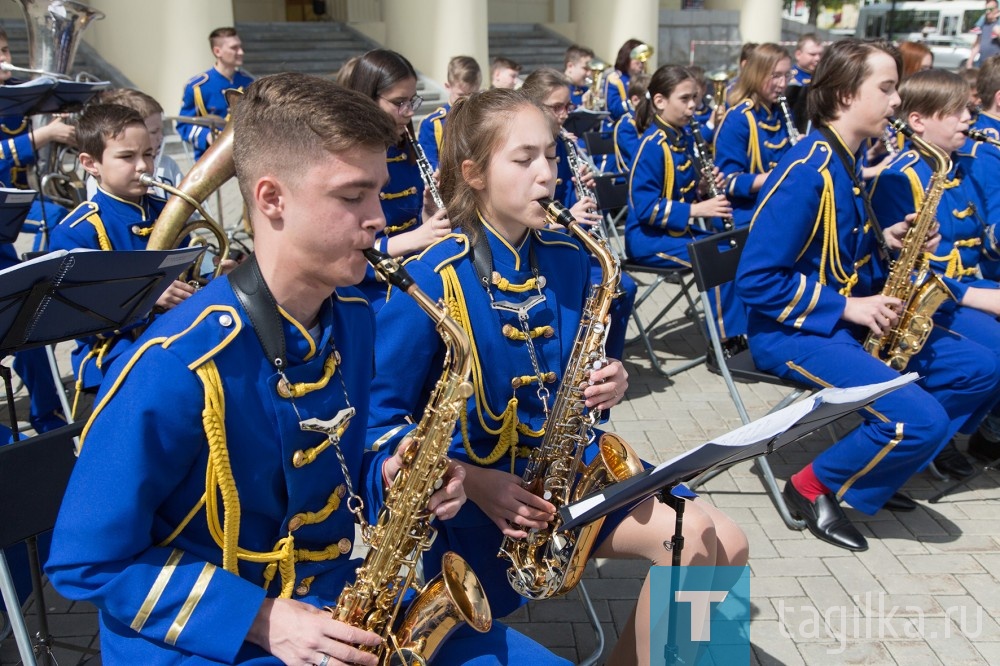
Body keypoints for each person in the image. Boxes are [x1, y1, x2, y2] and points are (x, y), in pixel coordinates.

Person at [46, 72, 474, 666]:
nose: (379, 218)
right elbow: (86, 559)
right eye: (353, 197)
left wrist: (393, 477)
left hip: (326, 604)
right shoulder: (176, 365)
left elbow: (338, 472)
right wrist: (259, 617)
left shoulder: (350, 314)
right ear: (271, 199)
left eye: (377, 192)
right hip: (207, 638)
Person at [367, 87, 749, 665]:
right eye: (523, 160)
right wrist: (472, 479)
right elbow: (379, 420)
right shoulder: (427, 280)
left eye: (551, 155)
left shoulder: (571, 257)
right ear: (472, 173)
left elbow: (584, 369)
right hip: (488, 499)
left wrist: (613, 380)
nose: (547, 175)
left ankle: (687, 658)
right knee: (689, 538)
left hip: (568, 473)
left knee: (734, 543)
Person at [736, 39, 1000, 552]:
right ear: (843, 95)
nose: (897, 101)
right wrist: (849, 306)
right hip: (795, 332)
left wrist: (892, 240)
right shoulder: (806, 172)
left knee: (979, 369)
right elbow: (757, 281)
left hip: (844, 321)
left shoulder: (846, 160)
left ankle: (881, 469)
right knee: (915, 419)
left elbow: (835, 251)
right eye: (885, 88)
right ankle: (809, 486)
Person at [870, 68, 1000, 476]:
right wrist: (972, 295)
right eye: (957, 111)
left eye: (969, 110)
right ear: (918, 121)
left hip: (959, 288)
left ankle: (956, 432)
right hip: (925, 301)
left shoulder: (956, 167)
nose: (968, 119)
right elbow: (897, 270)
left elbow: (978, 240)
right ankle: (929, 439)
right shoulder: (900, 176)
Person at [49, 104, 194, 395]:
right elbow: (79, 315)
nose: (143, 166)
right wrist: (147, 297)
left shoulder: (166, 211)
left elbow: (188, 272)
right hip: (114, 350)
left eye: (149, 154)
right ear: (91, 164)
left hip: (179, 332)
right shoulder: (77, 230)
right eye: (127, 157)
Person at [520, 68, 637, 363]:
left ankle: (605, 363)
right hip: (536, 249)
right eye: (555, 107)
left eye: (567, 106)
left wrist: (580, 188)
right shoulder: (523, 148)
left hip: (568, 244)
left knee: (623, 287)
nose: (563, 114)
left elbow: (576, 207)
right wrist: (568, 215)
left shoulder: (566, 144)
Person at [0, 26, 77, 436]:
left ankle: (50, 417)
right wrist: (42, 134)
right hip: (10, 210)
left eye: (5, 50)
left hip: (10, 220)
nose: (4, 60)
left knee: (28, 318)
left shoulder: (19, 96)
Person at [343, 49, 450, 311]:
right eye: (399, 102)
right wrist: (413, 239)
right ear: (368, 98)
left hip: (412, 275)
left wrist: (427, 215)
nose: (408, 112)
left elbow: (413, 225)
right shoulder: (344, 159)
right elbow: (345, 245)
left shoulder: (406, 149)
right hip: (366, 291)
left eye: (412, 101)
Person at [624, 65, 731, 271]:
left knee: (734, 248)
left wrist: (702, 189)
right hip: (648, 241)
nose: (692, 106)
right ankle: (717, 304)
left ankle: (723, 304)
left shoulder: (683, 137)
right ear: (660, 101)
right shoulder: (652, 146)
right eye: (684, 99)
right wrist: (696, 210)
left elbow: (681, 190)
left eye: (694, 97)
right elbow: (646, 208)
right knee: (721, 259)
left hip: (675, 234)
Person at [714, 42, 795, 228]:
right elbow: (728, 181)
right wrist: (778, 176)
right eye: (775, 76)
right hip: (746, 213)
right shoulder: (739, 119)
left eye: (786, 75)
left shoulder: (781, 112)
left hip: (777, 204)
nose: (783, 84)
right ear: (757, 74)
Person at [88, 88, 184, 200]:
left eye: (161, 130)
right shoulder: (103, 178)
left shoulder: (168, 164)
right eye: (154, 131)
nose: (161, 137)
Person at [176, 27, 253, 160]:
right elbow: (183, 124)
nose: (241, 52)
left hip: (245, 157)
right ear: (217, 51)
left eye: (240, 47)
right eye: (234, 48)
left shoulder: (249, 82)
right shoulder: (198, 87)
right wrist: (206, 136)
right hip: (211, 157)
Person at [417, 55, 482, 170]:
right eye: (461, 95)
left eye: (472, 95)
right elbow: (430, 164)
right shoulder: (433, 124)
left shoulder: (485, 118)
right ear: (448, 86)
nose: (467, 100)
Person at [604, 39, 652, 125]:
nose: (642, 61)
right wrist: (633, 102)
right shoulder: (615, 79)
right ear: (627, 56)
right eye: (637, 57)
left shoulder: (644, 78)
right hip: (617, 129)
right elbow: (613, 111)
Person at [785, 33, 823, 134]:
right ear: (798, 54)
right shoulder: (789, 80)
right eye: (812, 54)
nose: (817, 58)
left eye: (820, 54)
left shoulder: (823, 78)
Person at [613, 72, 650, 172]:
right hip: (630, 178)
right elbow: (639, 156)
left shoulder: (650, 120)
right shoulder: (626, 125)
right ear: (635, 100)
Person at [968, 0, 1000, 69]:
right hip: (982, 64)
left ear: (997, 10)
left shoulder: (998, 24)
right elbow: (977, 45)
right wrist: (969, 63)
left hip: (996, 66)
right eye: (986, 9)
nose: (987, 12)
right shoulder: (983, 22)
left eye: (990, 9)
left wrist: (998, 33)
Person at [563, 44, 596, 108]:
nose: (589, 73)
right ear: (570, 66)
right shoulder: (557, 89)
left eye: (590, 69)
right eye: (585, 68)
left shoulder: (585, 90)